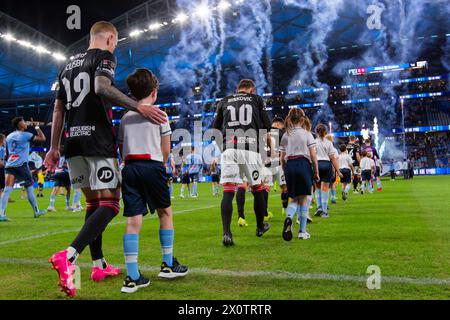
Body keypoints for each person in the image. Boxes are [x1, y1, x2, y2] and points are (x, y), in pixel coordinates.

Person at [45, 21, 167, 297]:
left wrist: (54, 147)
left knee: (93, 203)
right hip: (96, 140)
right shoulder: (104, 57)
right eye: (115, 42)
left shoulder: (66, 65)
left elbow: (58, 109)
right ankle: (70, 255)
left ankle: (99, 264)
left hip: (72, 142)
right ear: (110, 38)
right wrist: (139, 106)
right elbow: (101, 87)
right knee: (111, 204)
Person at [118, 68, 188, 293]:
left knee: (133, 220)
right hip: (152, 166)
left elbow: (121, 148)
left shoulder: (125, 118)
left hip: (129, 168)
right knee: (165, 212)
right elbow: (165, 150)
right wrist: (159, 164)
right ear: (154, 93)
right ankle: (167, 264)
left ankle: (132, 276)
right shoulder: (160, 115)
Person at [213, 79, 272, 246]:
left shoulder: (224, 101)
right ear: (252, 90)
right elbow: (267, 126)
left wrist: (223, 147)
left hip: (230, 148)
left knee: (228, 191)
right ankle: (260, 227)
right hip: (251, 149)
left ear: (237, 89)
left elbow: (215, 129)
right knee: (257, 188)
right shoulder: (257, 99)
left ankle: (226, 233)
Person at [280, 108, 319, 241]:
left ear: (289, 119)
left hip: (290, 165)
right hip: (303, 164)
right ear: (302, 119)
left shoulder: (285, 135)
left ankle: (289, 217)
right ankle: (302, 231)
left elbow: (282, 158)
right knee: (303, 199)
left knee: (294, 198)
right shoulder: (307, 134)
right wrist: (316, 172)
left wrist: (285, 170)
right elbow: (313, 155)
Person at [0, 118, 47, 222]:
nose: (25, 123)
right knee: (29, 188)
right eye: (23, 122)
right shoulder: (26, 135)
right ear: (19, 124)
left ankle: (1, 214)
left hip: (10, 165)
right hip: (21, 164)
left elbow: (7, 154)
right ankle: (36, 211)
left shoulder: (9, 136)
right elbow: (43, 139)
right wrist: (37, 126)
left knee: (7, 189)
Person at [313, 124, 342, 219]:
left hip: (317, 164)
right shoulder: (329, 143)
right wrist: (338, 171)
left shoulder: (313, 142)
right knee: (325, 188)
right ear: (325, 132)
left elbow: (311, 157)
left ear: (316, 132)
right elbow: (333, 158)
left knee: (317, 187)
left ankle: (318, 207)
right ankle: (324, 212)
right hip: (327, 165)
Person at [269, 117, 289, 216]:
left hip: (266, 164)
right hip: (279, 163)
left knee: (265, 188)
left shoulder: (264, 131)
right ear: (277, 124)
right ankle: (284, 210)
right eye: (282, 126)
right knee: (284, 188)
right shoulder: (282, 134)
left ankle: (264, 212)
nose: (282, 128)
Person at [325, 135, 339, 205]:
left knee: (325, 184)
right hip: (331, 167)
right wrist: (336, 169)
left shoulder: (323, 147)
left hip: (324, 166)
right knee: (333, 184)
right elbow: (335, 159)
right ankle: (333, 197)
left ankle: (325, 200)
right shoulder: (334, 149)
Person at [0, 134, 6, 200]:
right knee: (2, 188)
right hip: (1, 169)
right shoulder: (1, 149)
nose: (5, 140)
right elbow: (1, 163)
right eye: (4, 139)